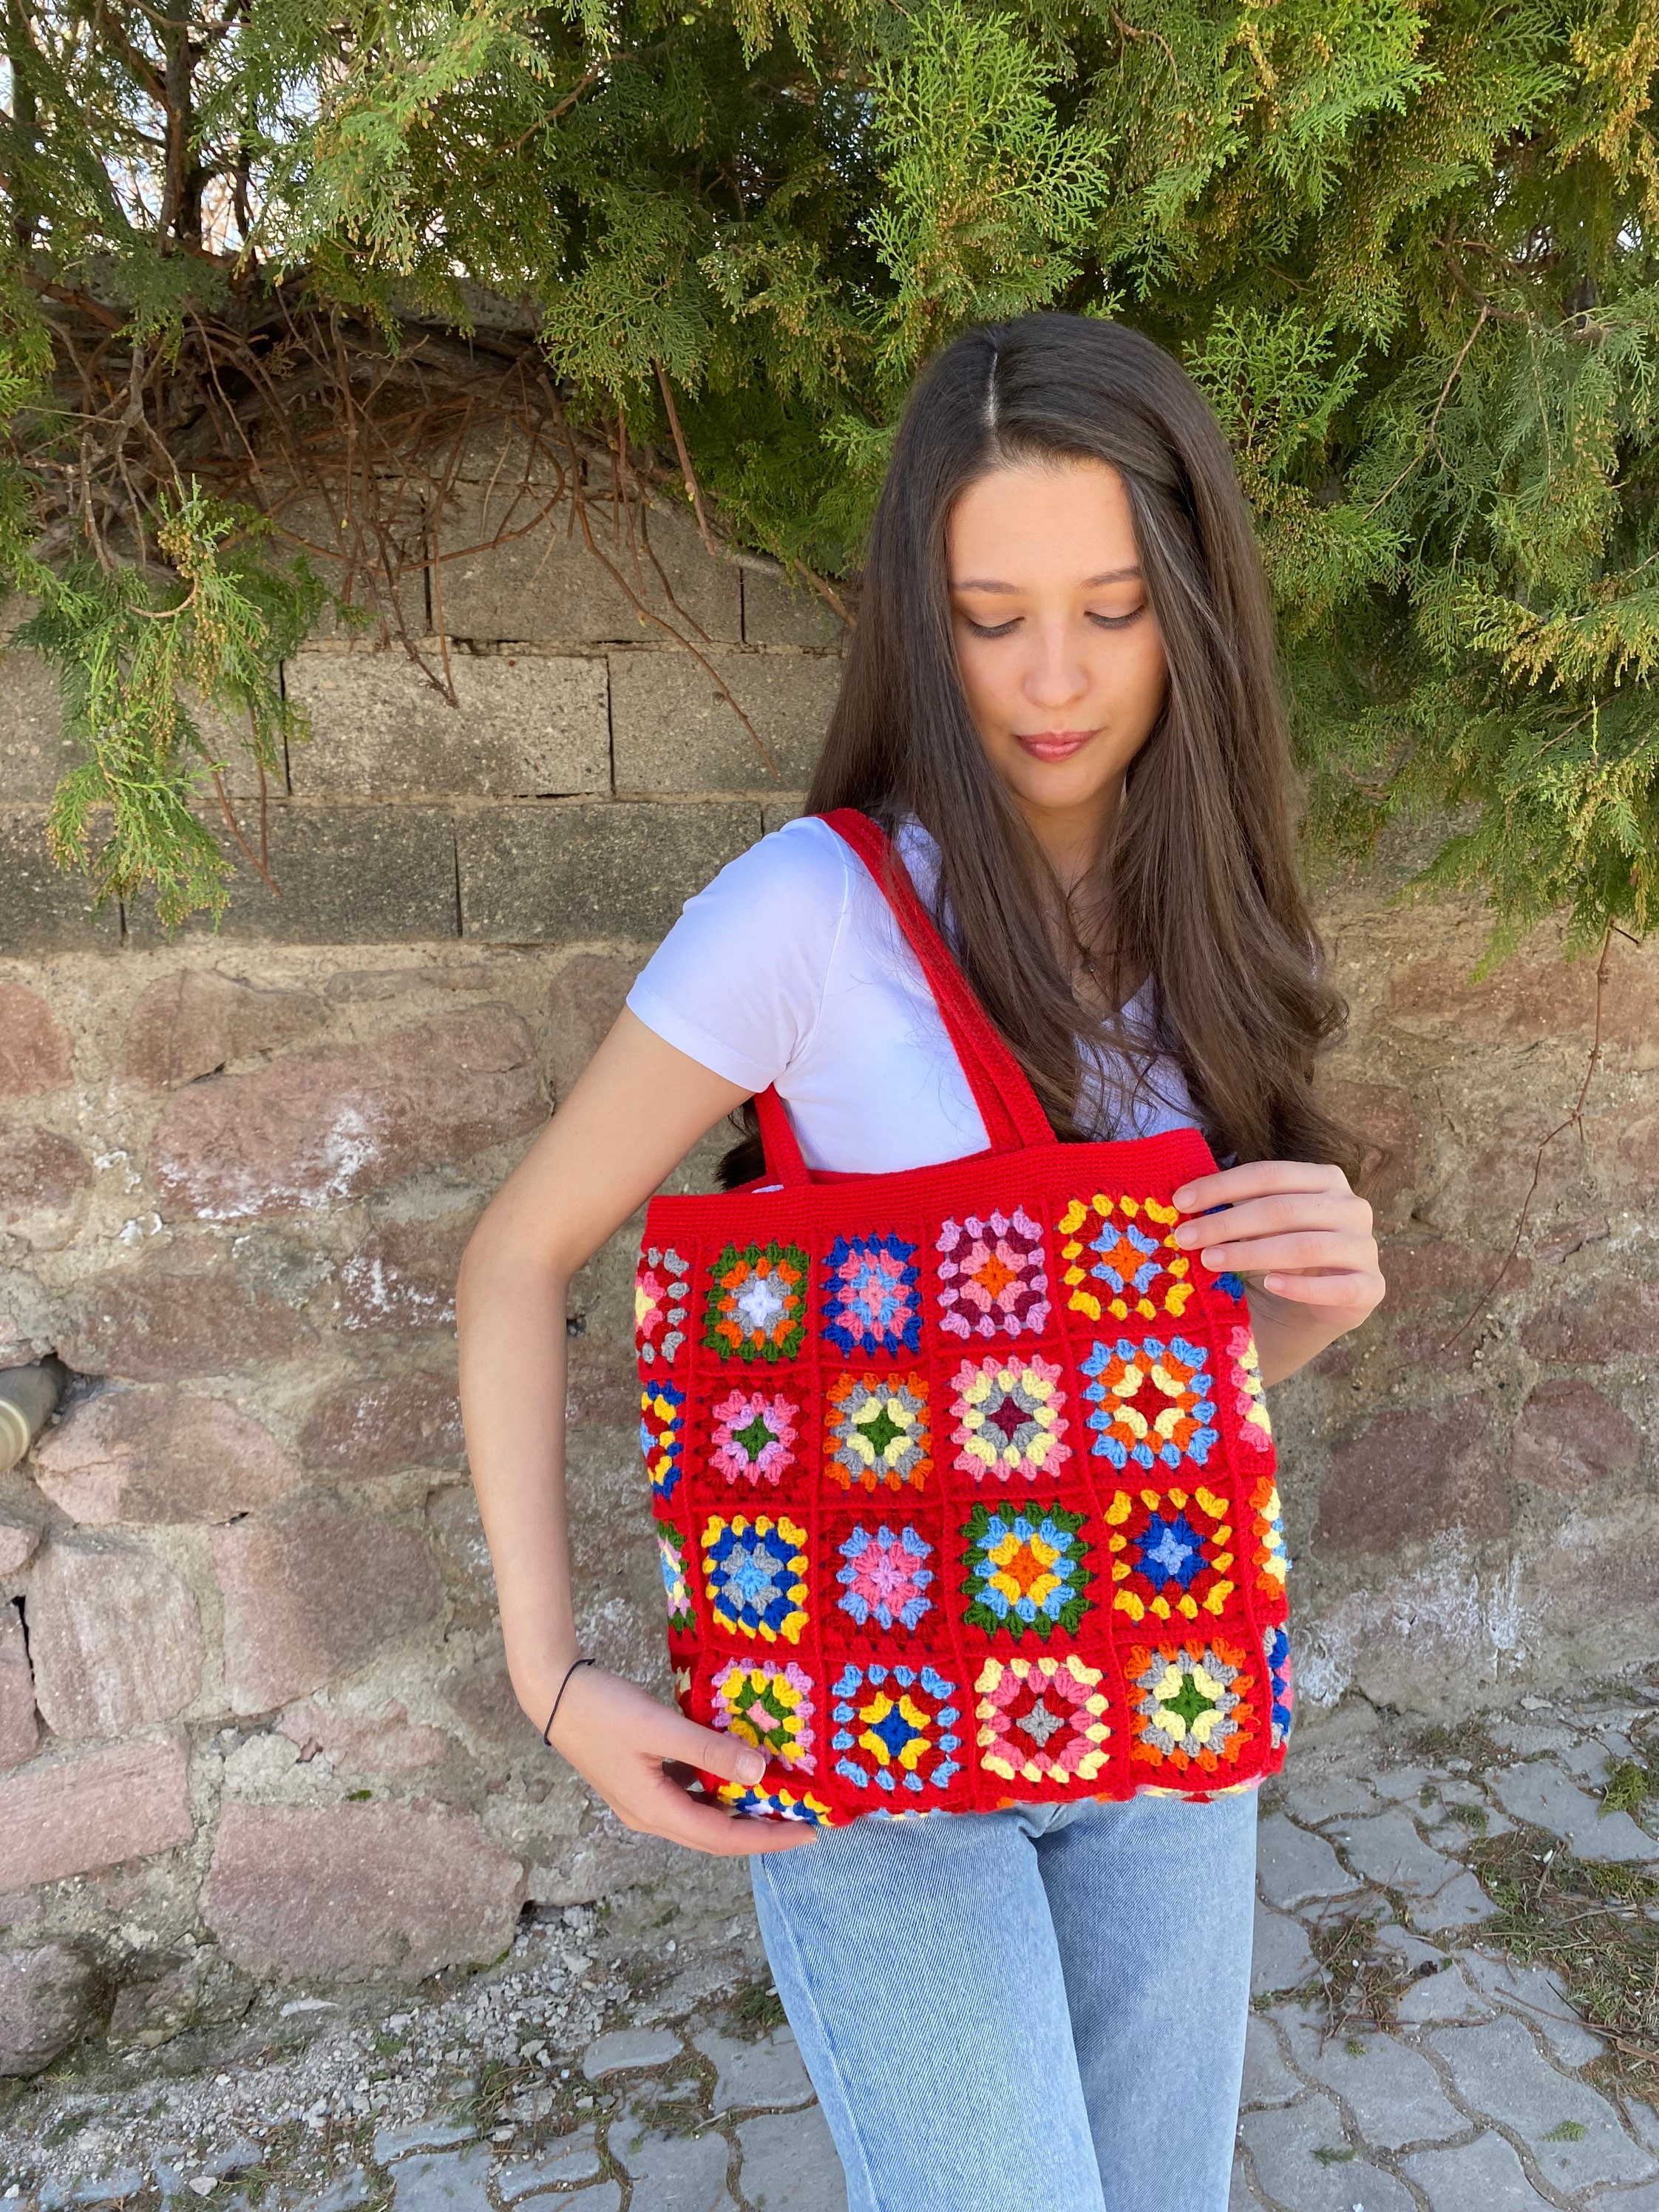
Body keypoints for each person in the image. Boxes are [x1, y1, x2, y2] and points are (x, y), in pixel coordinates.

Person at [455, 310, 1386, 2212]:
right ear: (919, 613)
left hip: (1161, 1713)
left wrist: (1302, 1308)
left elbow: (1092, 1391)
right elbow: (520, 1249)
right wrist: (548, 1672)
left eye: (1115, 607)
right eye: (991, 613)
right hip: (872, 1749)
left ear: (1194, 605)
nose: (1055, 677)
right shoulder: (812, 912)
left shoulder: (1212, 914)